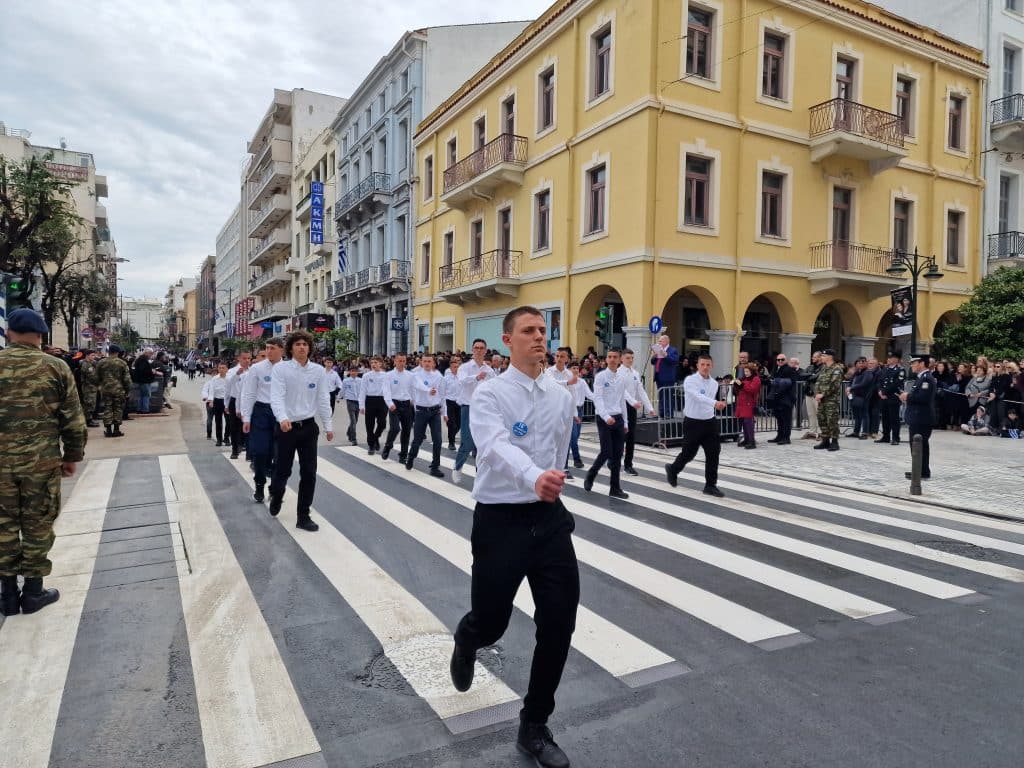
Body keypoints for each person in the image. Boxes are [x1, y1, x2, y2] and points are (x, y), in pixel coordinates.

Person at [450, 306, 577, 768]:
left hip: (548, 521)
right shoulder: (490, 394)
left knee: (560, 622)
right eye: (528, 331)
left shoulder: (562, 396)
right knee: (492, 621)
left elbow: (560, 450)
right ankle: (467, 639)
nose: (539, 337)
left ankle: (534, 725)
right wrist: (533, 476)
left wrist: (548, 485)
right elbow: (494, 446)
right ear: (508, 340)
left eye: (543, 330)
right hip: (500, 521)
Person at [0, 309, 87, 616]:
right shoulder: (55, 367)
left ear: (9, 333)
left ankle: (7, 594)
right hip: (41, 463)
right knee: (37, 523)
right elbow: (73, 420)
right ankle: (33, 593)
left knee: (3, 526)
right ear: (40, 335)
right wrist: (72, 456)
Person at [267, 330, 333, 531]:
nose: (302, 347)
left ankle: (303, 515)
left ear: (310, 348)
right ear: (291, 348)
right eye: (298, 344)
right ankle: (276, 495)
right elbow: (276, 396)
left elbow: (323, 399)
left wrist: (328, 426)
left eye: (305, 344)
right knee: (282, 470)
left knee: (309, 472)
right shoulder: (281, 370)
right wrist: (282, 418)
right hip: (287, 428)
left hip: (308, 428)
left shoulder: (318, 371)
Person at [664, 353, 727, 497]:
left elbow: (710, 400)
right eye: (702, 364)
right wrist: (715, 403)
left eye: (708, 365)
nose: (705, 367)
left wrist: (719, 403)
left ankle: (710, 485)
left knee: (713, 453)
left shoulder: (714, 383)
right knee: (689, 453)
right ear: (697, 365)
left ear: (712, 366)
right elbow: (698, 397)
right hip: (693, 422)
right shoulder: (690, 380)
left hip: (709, 422)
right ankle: (673, 469)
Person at [584, 348, 636, 499]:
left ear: (620, 360)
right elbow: (598, 398)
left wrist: (625, 422)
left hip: (618, 418)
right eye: (609, 357)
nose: (612, 359)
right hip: (603, 418)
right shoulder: (600, 377)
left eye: (615, 357)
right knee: (606, 451)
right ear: (606, 359)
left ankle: (615, 488)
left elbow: (622, 400)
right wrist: (606, 416)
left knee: (618, 454)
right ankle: (591, 474)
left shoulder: (621, 378)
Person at [241, 339, 284, 504]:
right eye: (267, 348)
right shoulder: (257, 368)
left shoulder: (288, 368)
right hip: (261, 412)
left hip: (281, 414)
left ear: (281, 350)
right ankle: (259, 485)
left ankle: (275, 488)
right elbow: (249, 393)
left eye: (272, 348)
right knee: (260, 452)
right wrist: (247, 417)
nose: (269, 351)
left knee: (279, 455)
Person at [453, 339, 496, 483]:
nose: (478, 350)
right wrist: (476, 377)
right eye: (476, 348)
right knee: (467, 441)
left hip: (484, 409)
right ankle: (457, 467)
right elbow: (462, 381)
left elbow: (495, 388)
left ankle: (481, 474)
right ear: (472, 350)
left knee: (483, 442)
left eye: (481, 348)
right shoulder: (465, 367)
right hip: (468, 407)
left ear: (485, 350)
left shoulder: (489, 370)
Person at [405, 353, 447, 478]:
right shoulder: (416, 375)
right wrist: (429, 390)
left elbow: (443, 395)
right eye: (425, 361)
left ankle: (435, 467)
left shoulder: (439, 377)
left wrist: (445, 412)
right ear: (421, 363)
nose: (427, 363)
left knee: (438, 440)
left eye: (430, 361)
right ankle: (411, 457)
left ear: (434, 363)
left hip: (435, 411)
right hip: (421, 411)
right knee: (418, 439)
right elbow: (419, 386)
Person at [619, 349, 657, 475]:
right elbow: (621, 391)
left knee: (630, 437)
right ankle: (613, 459)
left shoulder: (635, 373)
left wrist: (650, 408)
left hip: (631, 408)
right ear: (622, 359)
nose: (630, 360)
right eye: (628, 358)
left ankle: (628, 465)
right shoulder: (617, 373)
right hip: (619, 407)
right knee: (619, 437)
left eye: (632, 358)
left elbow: (641, 391)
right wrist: (632, 401)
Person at [901, 355, 936, 480]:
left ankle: (922, 471)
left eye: (914, 363)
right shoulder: (920, 378)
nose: (911, 366)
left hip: (922, 418)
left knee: (920, 445)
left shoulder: (927, 379)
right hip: (917, 417)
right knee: (917, 446)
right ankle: (919, 470)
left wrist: (907, 396)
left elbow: (923, 398)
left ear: (922, 363)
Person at [381, 353, 415, 462]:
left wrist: (413, 400)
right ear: (394, 361)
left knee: (406, 431)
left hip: (407, 404)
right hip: (394, 404)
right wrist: (390, 403)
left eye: (404, 361)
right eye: (399, 361)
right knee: (395, 428)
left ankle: (403, 455)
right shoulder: (389, 375)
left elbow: (413, 389)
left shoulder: (410, 375)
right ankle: (388, 446)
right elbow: (386, 391)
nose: (402, 363)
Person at [97, 344, 132, 438]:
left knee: (107, 408)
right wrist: (128, 389)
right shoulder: (122, 363)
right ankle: (116, 430)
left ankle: (108, 430)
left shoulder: (101, 362)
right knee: (118, 408)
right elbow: (127, 379)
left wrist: (100, 385)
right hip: (119, 390)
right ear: (117, 352)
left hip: (106, 389)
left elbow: (96, 376)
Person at [814, 349, 844, 452]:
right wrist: (817, 394)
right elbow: (818, 382)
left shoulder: (837, 369)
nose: (821, 357)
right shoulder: (823, 368)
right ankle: (825, 440)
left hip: (831, 400)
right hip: (821, 400)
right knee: (821, 419)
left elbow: (834, 385)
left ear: (830, 357)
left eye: (823, 355)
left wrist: (823, 394)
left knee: (832, 420)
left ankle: (834, 441)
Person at [224, 350, 252, 460]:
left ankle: (249, 453)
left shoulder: (252, 371)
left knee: (248, 427)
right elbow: (228, 386)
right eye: (244, 358)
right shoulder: (232, 371)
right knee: (234, 427)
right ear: (239, 359)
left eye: (249, 358)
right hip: (234, 400)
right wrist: (226, 404)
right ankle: (235, 450)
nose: (247, 361)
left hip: (247, 402)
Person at [358, 356, 388, 455]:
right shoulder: (366, 376)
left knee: (382, 423)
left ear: (381, 363)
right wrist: (361, 406)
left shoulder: (385, 375)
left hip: (382, 400)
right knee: (369, 425)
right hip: (370, 400)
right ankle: (371, 445)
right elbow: (362, 391)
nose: (373, 364)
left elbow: (389, 391)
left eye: (376, 362)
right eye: (372, 363)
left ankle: (375, 438)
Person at [876, 351, 907, 445]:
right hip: (883, 397)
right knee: (885, 418)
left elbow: (896, 384)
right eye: (888, 358)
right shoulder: (884, 369)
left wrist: (885, 392)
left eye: (891, 358)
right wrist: (880, 391)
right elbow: (880, 381)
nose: (888, 359)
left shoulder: (900, 370)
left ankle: (895, 438)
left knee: (894, 418)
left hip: (893, 396)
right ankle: (886, 436)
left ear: (896, 359)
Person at [767, 354, 798, 444]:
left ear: (786, 360)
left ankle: (786, 437)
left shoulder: (789, 369)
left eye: (782, 359)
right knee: (779, 418)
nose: (780, 361)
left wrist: (775, 382)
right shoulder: (775, 369)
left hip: (786, 398)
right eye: (778, 360)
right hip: (777, 397)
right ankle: (779, 436)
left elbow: (790, 383)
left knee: (786, 419)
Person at [650, 334, 679, 418]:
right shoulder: (658, 351)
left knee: (668, 396)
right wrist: (655, 356)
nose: (659, 342)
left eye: (660, 341)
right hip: (659, 376)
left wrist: (666, 355)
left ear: (666, 341)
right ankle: (662, 412)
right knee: (661, 395)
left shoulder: (673, 350)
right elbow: (652, 362)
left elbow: (674, 361)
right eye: (659, 341)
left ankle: (669, 413)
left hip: (668, 377)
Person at [734, 362, 761, 449]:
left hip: (749, 403)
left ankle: (752, 441)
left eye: (747, 371)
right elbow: (740, 390)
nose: (746, 373)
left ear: (752, 371)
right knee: (744, 423)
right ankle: (746, 439)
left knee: (748, 423)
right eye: (745, 371)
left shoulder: (756, 379)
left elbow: (752, 389)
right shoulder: (745, 379)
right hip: (742, 403)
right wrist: (736, 385)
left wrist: (741, 385)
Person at [202, 362, 229, 446]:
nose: (221, 369)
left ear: (227, 369)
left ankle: (226, 438)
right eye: (220, 368)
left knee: (229, 421)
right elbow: (212, 391)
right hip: (218, 401)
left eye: (223, 368)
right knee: (218, 421)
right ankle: (219, 439)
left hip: (227, 401)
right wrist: (211, 400)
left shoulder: (230, 378)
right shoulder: (214, 379)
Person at [800, 351, 823, 439]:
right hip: (808, 392)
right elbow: (801, 375)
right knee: (810, 413)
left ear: (820, 358)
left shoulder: (823, 367)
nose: (812, 358)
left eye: (815, 357)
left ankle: (821, 432)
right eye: (813, 357)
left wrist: (809, 377)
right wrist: (811, 374)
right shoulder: (810, 367)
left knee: (819, 413)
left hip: (816, 393)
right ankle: (812, 432)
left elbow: (817, 377)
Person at [444, 356, 462, 450]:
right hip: (449, 401)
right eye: (454, 367)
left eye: (457, 367)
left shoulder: (462, 378)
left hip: (459, 402)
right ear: (450, 368)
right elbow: (442, 392)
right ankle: (451, 443)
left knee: (459, 423)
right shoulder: (446, 378)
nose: (456, 369)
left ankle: (452, 435)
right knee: (451, 423)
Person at [341, 365, 361, 446]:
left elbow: (363, 391)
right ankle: (354, 439)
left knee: (355, 420)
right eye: (352, 371)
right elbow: (343, 390)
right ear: (349, 372)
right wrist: (339, 397)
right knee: (353, 420)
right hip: (350, 402)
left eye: (355, 371)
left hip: (358, 402)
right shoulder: (346, 381)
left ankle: (349, 432)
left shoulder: (361, 380)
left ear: (357, 372)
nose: (353, 373)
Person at [132, 347, 156, 414]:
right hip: (144, 380)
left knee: (141, 395)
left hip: (140, 380)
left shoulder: (140, 359)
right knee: (146, 395)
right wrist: (152, 371)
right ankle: (145, 410)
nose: (151, 355)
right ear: (146, 353)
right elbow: (143, 370)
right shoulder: (143, 360)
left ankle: (139, 409)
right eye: (150, 353)